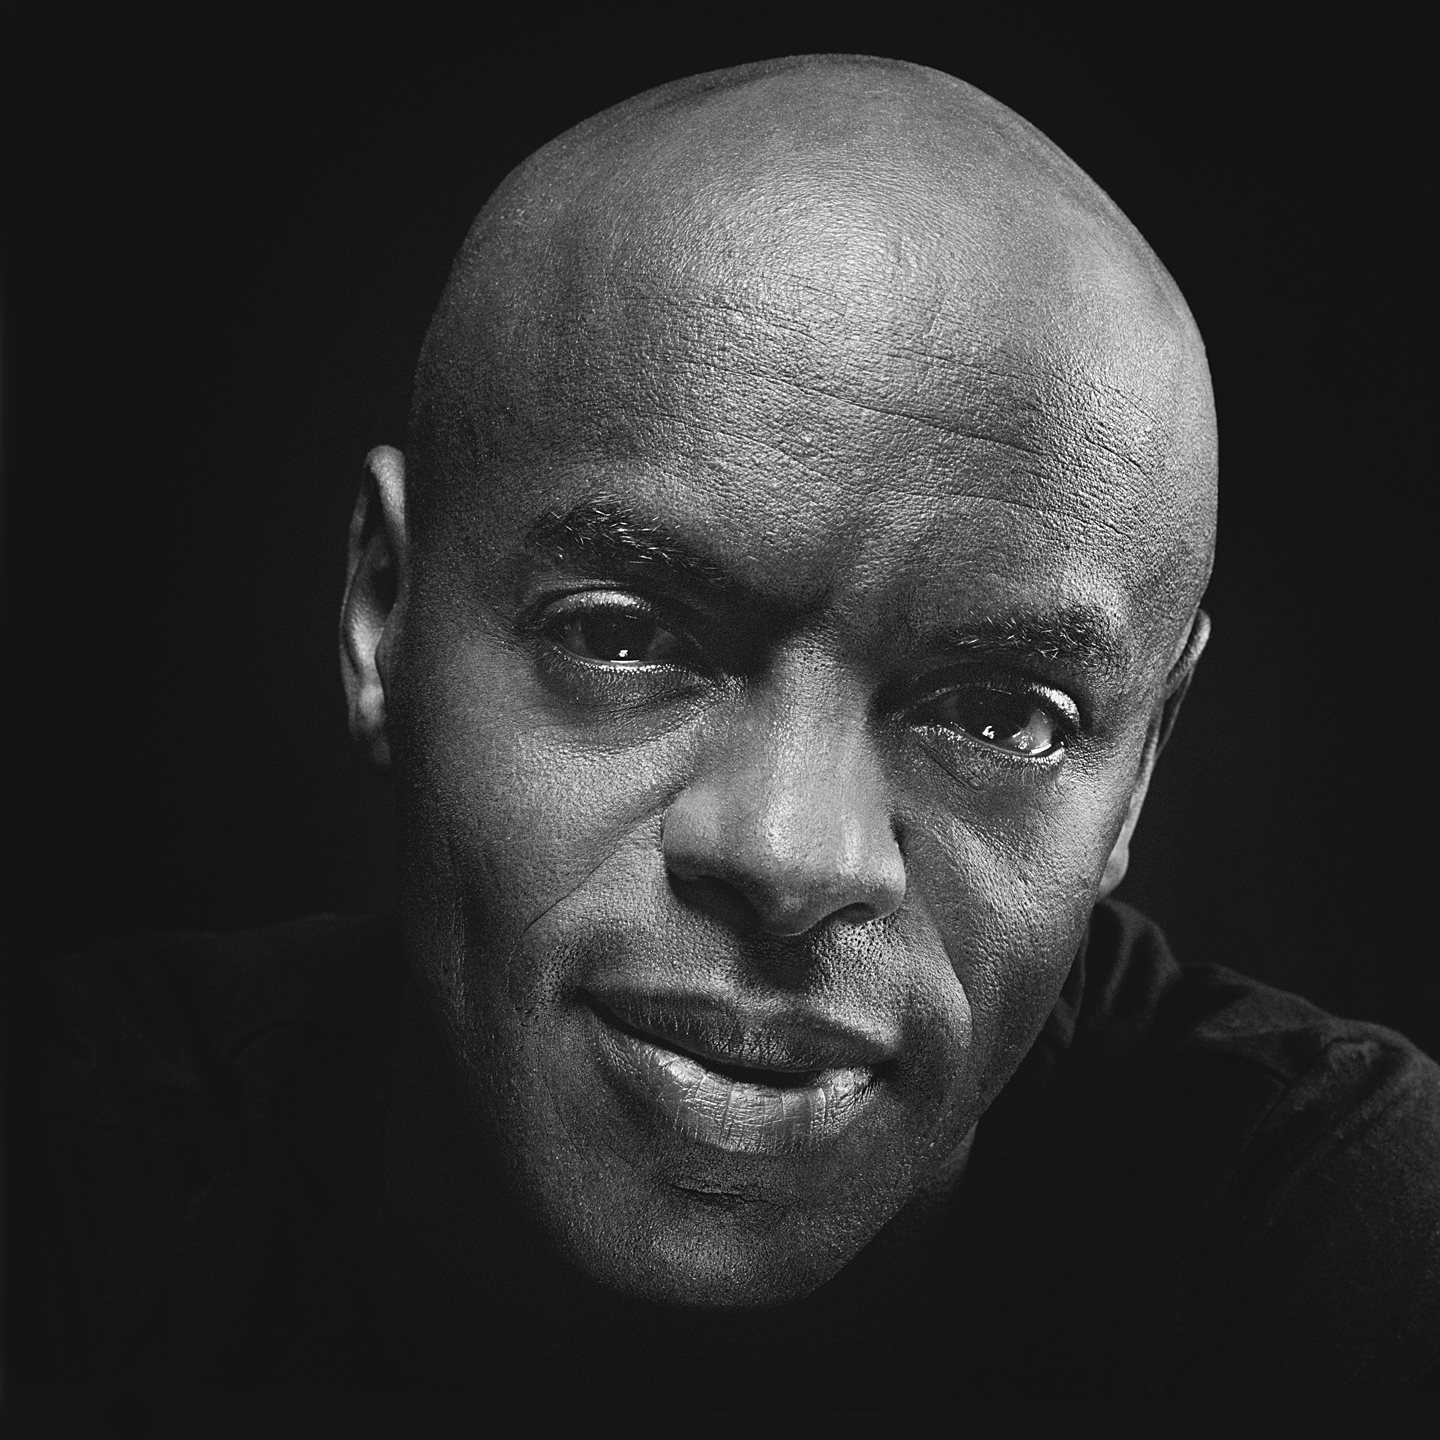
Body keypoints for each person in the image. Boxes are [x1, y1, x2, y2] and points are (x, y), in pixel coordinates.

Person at [41, 54, 1439, 1411]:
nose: (790, 854)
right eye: (623, 637)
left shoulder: (1350, 1262)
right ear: (381, 611)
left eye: (1001, 714)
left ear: (1140, 773)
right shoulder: (69, 1184)